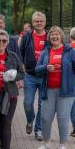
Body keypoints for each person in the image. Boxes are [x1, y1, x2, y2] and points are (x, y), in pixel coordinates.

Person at [35, 26, 75, 149]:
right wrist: (46, 67)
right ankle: (46, 143)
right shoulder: (45, 51)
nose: (54, 37)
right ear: (49, 37)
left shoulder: (70, 51)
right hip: (48, 90)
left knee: (62, 118)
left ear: (62, 36)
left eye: (57, 35)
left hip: (66, 91)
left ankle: (62, 144)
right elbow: (37, 69)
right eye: (52, 35)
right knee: (45, 117)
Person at [20, 12, 49, 141]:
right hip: (30, 75)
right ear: (32, 22)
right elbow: (20, 54)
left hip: (45, 76)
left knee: (43, 105)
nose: (39, 23)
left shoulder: (50, 36)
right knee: (27, 103)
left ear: (45, 22)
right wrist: (21, 69)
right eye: (36, 21)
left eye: (41, 21)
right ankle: (29, 120)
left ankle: (38, 130)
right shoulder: (27, 36)